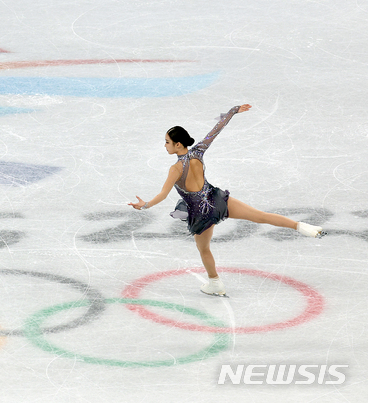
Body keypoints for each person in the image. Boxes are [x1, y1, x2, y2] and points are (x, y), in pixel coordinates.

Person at [128, 104, 324, 297]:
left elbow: (162, 195)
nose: (165, 145)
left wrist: (144, 205)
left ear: (178, 144)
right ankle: (303, 227)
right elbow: (216, 130)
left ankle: (215, 282)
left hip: (201, 214)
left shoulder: (175, 169)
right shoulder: (198, 152)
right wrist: (232, 111)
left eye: (167, 142)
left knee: (204, 249)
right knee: (260, 216)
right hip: (217, 200)